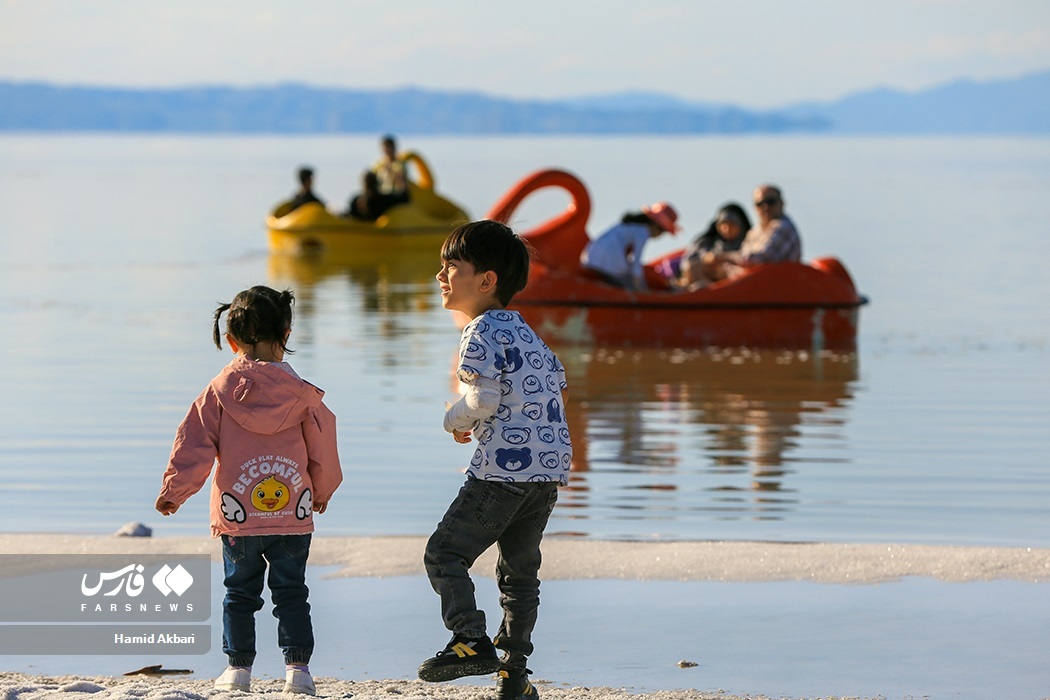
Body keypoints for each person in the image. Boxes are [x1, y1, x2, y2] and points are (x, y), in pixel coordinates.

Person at [155, 285, 342, 696]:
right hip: (293, 512)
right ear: (287, 334)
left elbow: (194, 445)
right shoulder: (303, 395)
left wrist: (176, 490)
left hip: (238, 515)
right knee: (292, 592)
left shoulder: (218, 393)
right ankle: (299, 671)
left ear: (233, 341)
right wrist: (322, 491)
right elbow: (323, 447)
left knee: (239, 593)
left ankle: (238, 670)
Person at [419, 220, 572, 700]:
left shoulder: (479, 331)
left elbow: (482, 400)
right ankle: (514, 675)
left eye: (452, 267)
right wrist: (488, 422)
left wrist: (454, 419)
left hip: (501, 474)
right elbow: (548, 393)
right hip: (546, 472)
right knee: (519, 574)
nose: (441, 276)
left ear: (486, 281)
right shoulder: (529, 334)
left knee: (445, 554)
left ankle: (469, 639)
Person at [580, 202, 681, 291]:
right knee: (629, 283)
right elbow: (636, 265)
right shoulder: (642, 232)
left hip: (589, 259)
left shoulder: (628, 225)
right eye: (662, 231)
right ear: (655, 226)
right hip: (608, 265)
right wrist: (642, 291)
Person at [709, 184, 801, 278]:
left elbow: (759, 259)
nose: (765, 207)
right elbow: (743, 256)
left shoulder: (783, 227)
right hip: (754, 282)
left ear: (782, 203)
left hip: (775, 285)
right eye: (760, 204)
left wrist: (723, 257)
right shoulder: (755, 231)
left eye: (771, 202)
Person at [675, 202, 752, 289]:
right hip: (709, 284)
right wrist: (707, 258)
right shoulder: (708, 243)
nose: (727, 229)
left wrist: (724, 257)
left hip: (738, 283)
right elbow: (688, 261)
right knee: (692, 266)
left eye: (732, 224)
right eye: (723, 224)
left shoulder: (750, 241)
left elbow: (749, 258)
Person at [344, 170, 408, 221]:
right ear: (377, 183)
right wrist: (402, 181)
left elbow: (350, 215)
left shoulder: (355, 201)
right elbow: (404, 198)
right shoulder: (381, 200)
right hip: (378, 234)